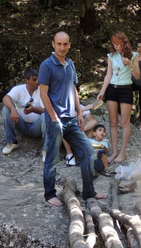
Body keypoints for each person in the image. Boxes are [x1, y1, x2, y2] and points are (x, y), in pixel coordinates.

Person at [38, 31, 106, 207]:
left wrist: (78, 112)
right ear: (53, 44)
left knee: (88, 152)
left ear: (69, 45)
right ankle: (49, 194)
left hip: (71, 119)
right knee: (52, 158)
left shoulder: (70, 64)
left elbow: (74, 89)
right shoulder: (47, 65)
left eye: (65, 44)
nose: (62, 47)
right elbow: (43, 94)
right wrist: (53, 117)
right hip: (56, 120)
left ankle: (89, 191)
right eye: (59, 44)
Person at [96, 31, 139, 165]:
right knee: (113, 122)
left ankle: (123, 152)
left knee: (124, 123)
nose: (116, 47)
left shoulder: (134, 56)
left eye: (118, 44)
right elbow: (108, 75)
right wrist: (102, 91)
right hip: (112, 89)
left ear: (124, 43)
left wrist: (130, 64)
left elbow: (138, 76)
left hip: (126, 89)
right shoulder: (111, 56)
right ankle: (114, 151)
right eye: (114, 44)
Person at [1, 67, 43, 154]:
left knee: (46, 116)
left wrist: (34, 110)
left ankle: (46, 148)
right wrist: (13, 109)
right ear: (26, 80)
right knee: (6, 109)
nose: (37, 82)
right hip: (21, 125)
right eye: (34, 80)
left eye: (38, 79)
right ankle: (12, 142)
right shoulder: (19, 89)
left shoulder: (42, 91)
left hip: (37, 127)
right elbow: (6, 98)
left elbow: (46, 110)